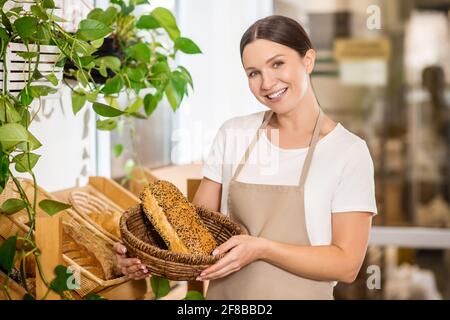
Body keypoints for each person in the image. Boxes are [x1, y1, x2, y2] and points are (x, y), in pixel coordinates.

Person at [115, 15, 378, 300]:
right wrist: (143, 256)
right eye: (253, 73)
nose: (267, 83)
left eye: (277, 64)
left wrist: (262, 248)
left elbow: (347, 264)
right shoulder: (234, 135)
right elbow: (195, 239)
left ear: (308, 60)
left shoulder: (347, 152)